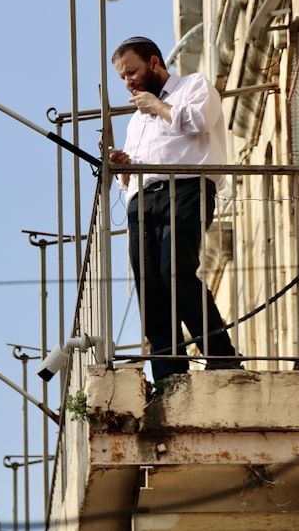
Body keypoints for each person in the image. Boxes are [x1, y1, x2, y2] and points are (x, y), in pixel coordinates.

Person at [107, 36, 241, 382]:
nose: (128, 82)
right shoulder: (136, 120)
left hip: (185, 188)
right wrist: (124, 167)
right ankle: (169, 373)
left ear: (154, 62)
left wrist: (159, 107)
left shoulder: (194, 86)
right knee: (150, 286)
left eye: (132, 72)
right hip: (143, 200)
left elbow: (197, 121)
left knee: (176, 270)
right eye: (122, 77)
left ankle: (221, 356)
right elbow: (134, 174)